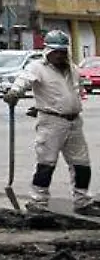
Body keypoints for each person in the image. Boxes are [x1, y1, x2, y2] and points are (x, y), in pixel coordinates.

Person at [5, 29, 96, 216]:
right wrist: (15, 92)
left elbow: (71, 91)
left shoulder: (71, 68)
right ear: (48, 51)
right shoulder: (37, 67)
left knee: (82, 164)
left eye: (63, 51)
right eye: (57, 52)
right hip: (52, 122)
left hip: (74, 121)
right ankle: (38, 201)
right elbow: (24, 80)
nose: (60, 55)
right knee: (46, 163)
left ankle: (82, 200)